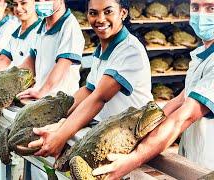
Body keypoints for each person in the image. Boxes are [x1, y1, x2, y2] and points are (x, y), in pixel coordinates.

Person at [88, 0, 214, 179]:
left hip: (208, 165)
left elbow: (183, 116)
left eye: (211, 8)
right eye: (196, 8)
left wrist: (134, 158)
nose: (202, 15)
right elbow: (178, 101)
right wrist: (136, 135)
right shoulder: (201, 55)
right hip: (193, 162)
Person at [28, 0, 153, 164]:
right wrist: (54, 116)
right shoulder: (103, 48)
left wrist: (60, 136)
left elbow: (99, 98)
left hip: (132, 140)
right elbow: (88, 90)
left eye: (108, 12)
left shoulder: (130, 50)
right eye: (93, 13)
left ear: (123, 13)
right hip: (110, 133)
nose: (100, 19)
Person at [16, 0, 85, 100]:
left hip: (59, 101)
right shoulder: (41, 26)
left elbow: (62, 65)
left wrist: (42, 91)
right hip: (40, 96)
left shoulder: (70, 26)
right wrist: (10, 78)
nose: (42, 2)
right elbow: (31, 61)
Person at [0, 0, 42, 71]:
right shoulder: (15, 32)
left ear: (35, 3)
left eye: (23, 3)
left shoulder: (41, 31)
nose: (18, 8)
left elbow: (28, 69)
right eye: (15, 4)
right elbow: (3, 60)